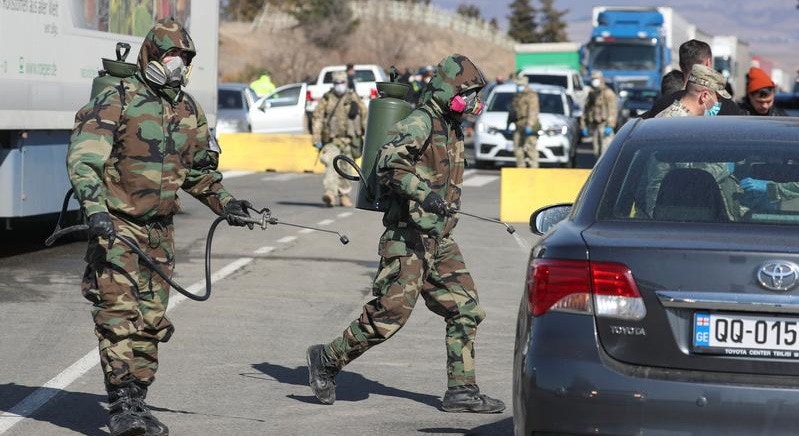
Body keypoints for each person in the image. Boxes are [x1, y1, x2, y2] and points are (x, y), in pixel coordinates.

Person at [66, 18, 253, 436]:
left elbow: (199, 174)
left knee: (151, 322)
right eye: (171, 55)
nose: (178, 64)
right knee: (118, 316)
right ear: (151, 55)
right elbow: (84, 159)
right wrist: (95, 209)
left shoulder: (189, 110)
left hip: (160, 234)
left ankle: (138, 401)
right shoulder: (119, 98)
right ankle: (120, 405)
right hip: (117, 225)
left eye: (184, 58)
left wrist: (227, 203)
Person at [306, 54, 505, 414]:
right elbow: (389, 162)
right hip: (409, 238)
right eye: (469, 93)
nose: (474, 102)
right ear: (449, 90)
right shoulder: (421, 121)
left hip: (439, 240)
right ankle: (327, 359)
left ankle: (462, 390)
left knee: (465, 309)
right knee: (388, 316)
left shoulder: (451, 125)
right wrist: (424, 193)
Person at [641, 39, 742, 119]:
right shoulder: (729, 109)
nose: (717, 103)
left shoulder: (661, 106)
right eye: (717, 97)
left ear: (680, 65)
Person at [311, 70, 367, 207]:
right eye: (337, 83)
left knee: (346, 169)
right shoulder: (327, 98)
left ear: (346, 83)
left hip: (350, 141)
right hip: (332, 141)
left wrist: (366, 136)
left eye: (342, 82)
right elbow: (317, 118)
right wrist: (316, 138)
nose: (339, 85)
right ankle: (330, 193)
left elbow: (365, 116)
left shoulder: (353, 97)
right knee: (332, 164)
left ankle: (345, 195)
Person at [655, 64, 728, 118]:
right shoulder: (681, 123)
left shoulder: (674, 116)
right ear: (705, 96)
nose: (718, 103)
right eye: (718, 98)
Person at [581, 71, 617, 157]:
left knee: (605, 152)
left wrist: (610, 125)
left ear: (601, 80)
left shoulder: (608, 93)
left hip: (604, 125)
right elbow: (586, 110)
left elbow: (613, 110)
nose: (594, 81)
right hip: (594, 126)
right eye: (593, 79)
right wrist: (584, 125)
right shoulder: (591, 94)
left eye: (596, 79)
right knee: (596, 151)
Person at [509, 76, 540, 168]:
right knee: (518, 149)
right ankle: (521, 170)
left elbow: (533, 110)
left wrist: (530, 125)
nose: (518, 87)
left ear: (525, 85)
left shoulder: (531, 95)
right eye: (517, 85)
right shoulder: (517, 96)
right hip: (519, 124)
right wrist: (509, 122)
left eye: (520, 85)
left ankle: (534, 170)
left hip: (528, 124)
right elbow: (512, 110)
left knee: (531, 149)